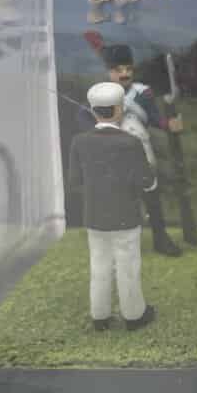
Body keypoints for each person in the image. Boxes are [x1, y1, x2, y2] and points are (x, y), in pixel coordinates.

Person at [67, 82, 156, 331]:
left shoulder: (79, 141)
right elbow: (147, 181)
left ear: (93, 110)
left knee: (99, 264)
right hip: (126, 216)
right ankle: (134, 315)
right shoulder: (131, 142)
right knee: (128, 266)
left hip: (94, 216)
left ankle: (100, 316)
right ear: (119, 110)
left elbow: (75, 182)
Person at [102, 43, 189, 254]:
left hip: (142, 149)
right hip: (114, 153)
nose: (124, 74)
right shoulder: (101, 94)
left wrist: (169, 125)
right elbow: (86, 120)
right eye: (119, 70)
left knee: (151, 195)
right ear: (110, 72)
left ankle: (161, 239)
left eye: (128, 69)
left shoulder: (143, 93)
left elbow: (155, 118)